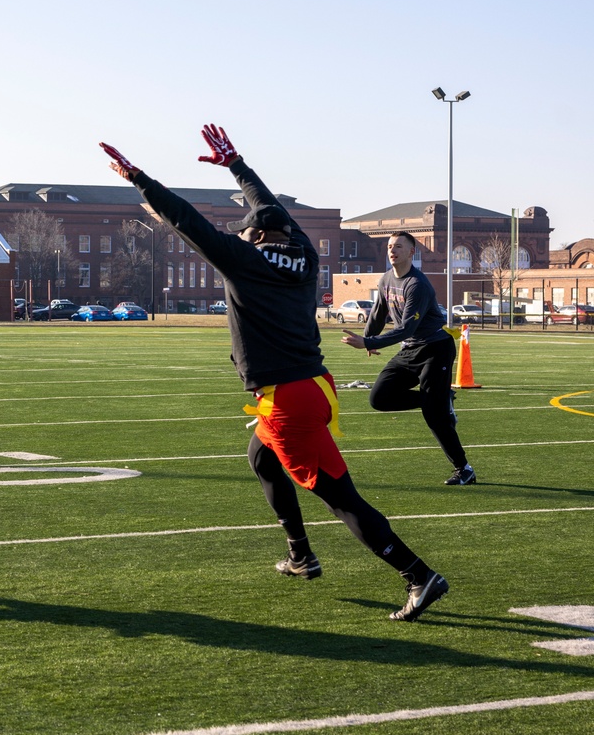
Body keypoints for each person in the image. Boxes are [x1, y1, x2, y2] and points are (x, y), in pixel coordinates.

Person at [100, 126, 450, 622]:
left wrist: (137, 177)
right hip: (312, 387)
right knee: (261, 457)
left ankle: (417, 574)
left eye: (247, 231)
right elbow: (267, 209)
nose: (241, 236)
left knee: (341, 498)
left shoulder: (245, 258)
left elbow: (186, 220)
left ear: (257, 236)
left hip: (289, 398)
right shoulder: (305, 255)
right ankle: (301, 556)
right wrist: (238, 165)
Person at [342, 230, 475, 486]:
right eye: (390, 246)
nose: (392, 250)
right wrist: (369, 337)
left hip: (435, 348)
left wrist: (368, 342)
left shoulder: (418, 285)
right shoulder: (385, 279)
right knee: (379, 397)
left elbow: (406, 329)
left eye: (399, 246)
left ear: (411, 252)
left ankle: (464, 469)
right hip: (410, 349)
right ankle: (441, 399)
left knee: (434, 416)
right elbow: (379, 312)